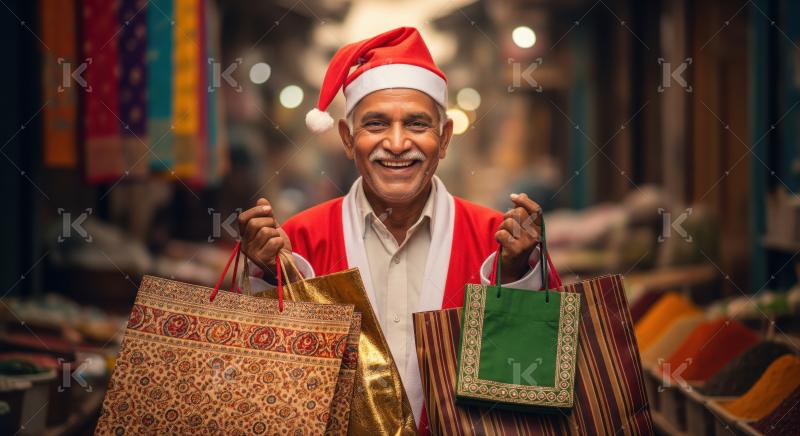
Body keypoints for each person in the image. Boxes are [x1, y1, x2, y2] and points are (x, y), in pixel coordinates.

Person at [238, 26, 561, 434]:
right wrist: (269, 275)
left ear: (443, 139)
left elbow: (533, 386)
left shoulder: (496, 241)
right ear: (346, 138)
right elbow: (265, 388)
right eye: (375, 124)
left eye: (416, 124)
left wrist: (517, 277)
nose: (396, 143)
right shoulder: (299, 239)